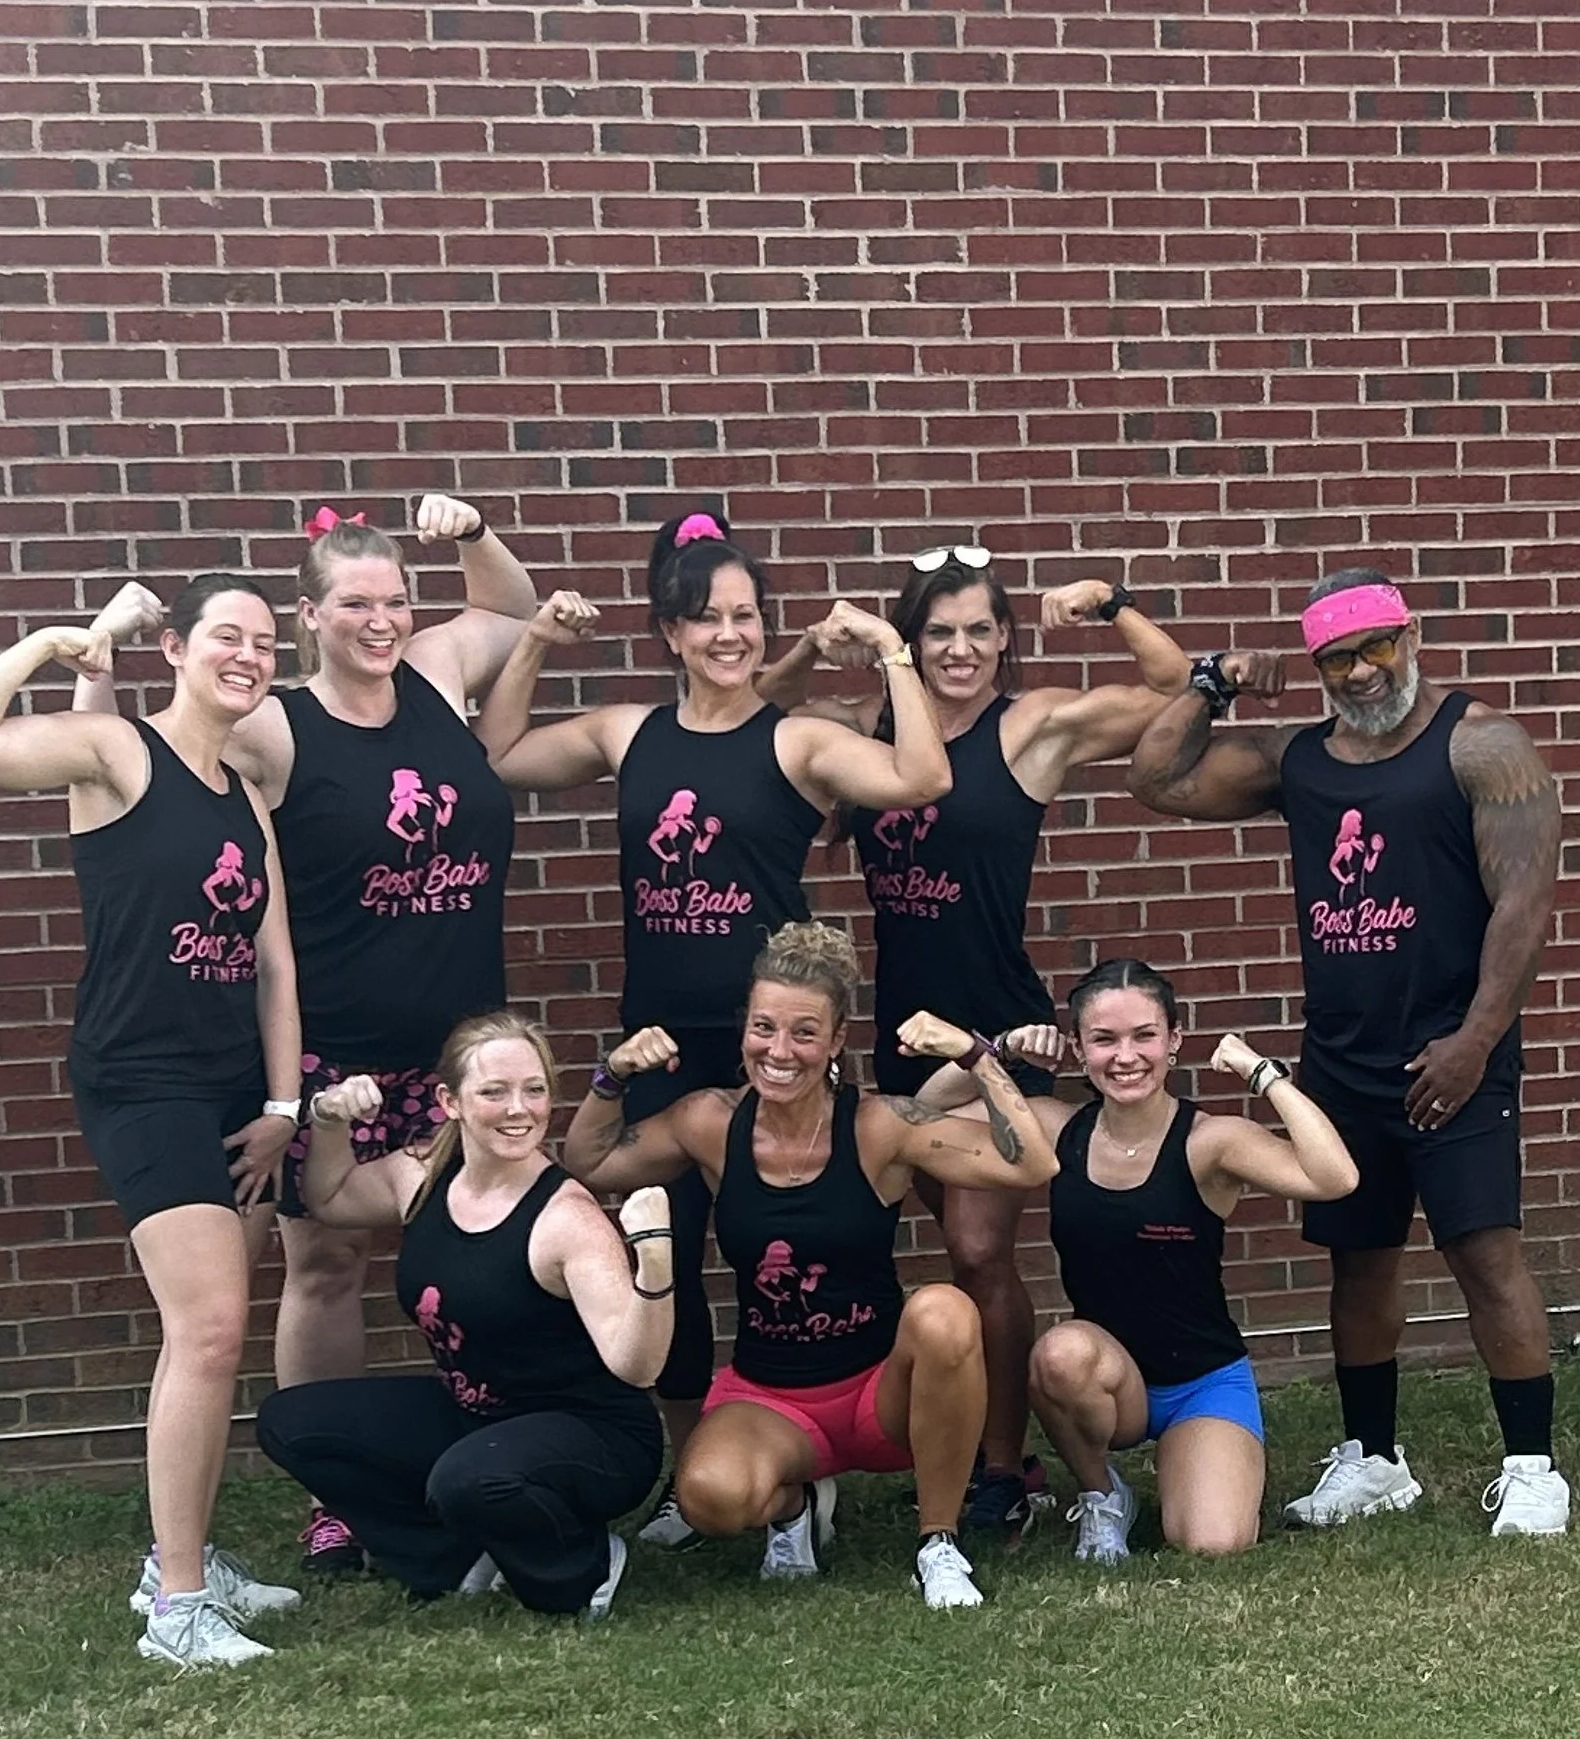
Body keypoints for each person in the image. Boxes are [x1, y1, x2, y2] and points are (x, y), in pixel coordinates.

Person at [81, 495, 550, 1576]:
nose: (380, 622)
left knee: (487, 1248)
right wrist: (100, 657)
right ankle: (336, 1497)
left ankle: (506, 1466)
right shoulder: (274, 725)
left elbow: (512, 610)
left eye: (395, 600)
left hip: (458, 1052)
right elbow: (143, 755)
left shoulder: (435, 669)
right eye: (353, 605)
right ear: (310, 616)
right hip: (331, 1054)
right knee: (325, 1265)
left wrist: (473, 533)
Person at [480, 507, 951, 1550]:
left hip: (775, 1048)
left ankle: (814, 1453)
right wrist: (537, 641)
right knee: (666, 1250)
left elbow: (922, 778)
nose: (730, 635)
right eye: (708, 619)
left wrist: (891, 653)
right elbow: (500, 751)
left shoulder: (796, 740)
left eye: (746, 616)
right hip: (662, 1042)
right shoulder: (628, 734)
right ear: (672, 632)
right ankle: (699, 1456)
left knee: (800, 1241)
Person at [1128, 569, 1568, 1535]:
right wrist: (1213, 681)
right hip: (1343, 1059)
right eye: (1338, 658)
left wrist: (1475, 1042)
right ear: (1318, 666)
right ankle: (1373, 1460)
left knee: (1484, 1252)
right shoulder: (1301, 762)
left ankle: (1534, 1468)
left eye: (1377, 647)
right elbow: (1155, 779)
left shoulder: (1482, 746)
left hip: (1454, 1051)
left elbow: (1525, 906)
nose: (1363, 672)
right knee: (1358, 1261)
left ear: (1411, 637)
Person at [774, 549, 1190, 1528]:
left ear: (1004, 637)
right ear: (910, 643)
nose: (959, 649)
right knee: (965, 1257)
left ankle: (1005, 1469)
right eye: (938, 632)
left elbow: (1171, 689)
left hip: (998, 1033)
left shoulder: (1030, 727)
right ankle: (981, 1446)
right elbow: (762, 714)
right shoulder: (872, 729)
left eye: (977, 630)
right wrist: (815, 643)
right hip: (902, 1035)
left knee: (974, 1245)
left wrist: (1112, 604)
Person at [0, 576, 304, 1667]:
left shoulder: (243, 792)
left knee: (210, 1334)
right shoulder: (116, 754)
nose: (248, 656)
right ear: (176, 648)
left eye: (264, 643)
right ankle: (178, 1610)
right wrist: (55, 643)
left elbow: (275, 964)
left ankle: (176, 1558)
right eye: (226, 636)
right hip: (142, 1083)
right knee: (210, 1329)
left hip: (235, 1092)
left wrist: (282, 1106)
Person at [561, 921, 1060, 1609]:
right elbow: (587, 1162)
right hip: (772, 1399)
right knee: (708, 1500)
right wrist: (612, 1076)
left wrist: (976, 1056)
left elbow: (1032, 1162)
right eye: (764, 1028)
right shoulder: (710, 1122)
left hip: (880, 1398)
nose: (779, 1051)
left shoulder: (878, 1126)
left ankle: (938, 1542)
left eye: (804, 1032)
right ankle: (795, 1508)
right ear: (744, 1030)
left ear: (834, 1041)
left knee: (944, 1312)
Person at [917, 960, 1359, 1560]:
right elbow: (926, 1114)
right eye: (1104, 1039)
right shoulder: (1055, 1128)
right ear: (1078, 1049)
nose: (1126, 1057)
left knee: (1213, 1542)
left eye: (1144, 1036)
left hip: (1202, 1381)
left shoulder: (1209, 1142)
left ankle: (1200, 1458)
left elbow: (1335, 1178)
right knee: (1059, 1353)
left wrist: (1261, 1073)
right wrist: (998, 1050)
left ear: (1174, 1040)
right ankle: (1103, 1494)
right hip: (1106, 1375)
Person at [254, 1013, 675, 1617]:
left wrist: (654, 1267)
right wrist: (327, 1120)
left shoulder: (567, 1220)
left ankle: (584, 1566)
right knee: (293, 1422)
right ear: (450, 1102)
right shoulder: (423, 1175)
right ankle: (461, 1556)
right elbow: (330, 1198)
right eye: (494, 1092)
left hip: (594, 1436)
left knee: (468, 1479)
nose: (519, 1109)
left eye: (534, 1090)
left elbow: (638, 1368)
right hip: (476, 1417)